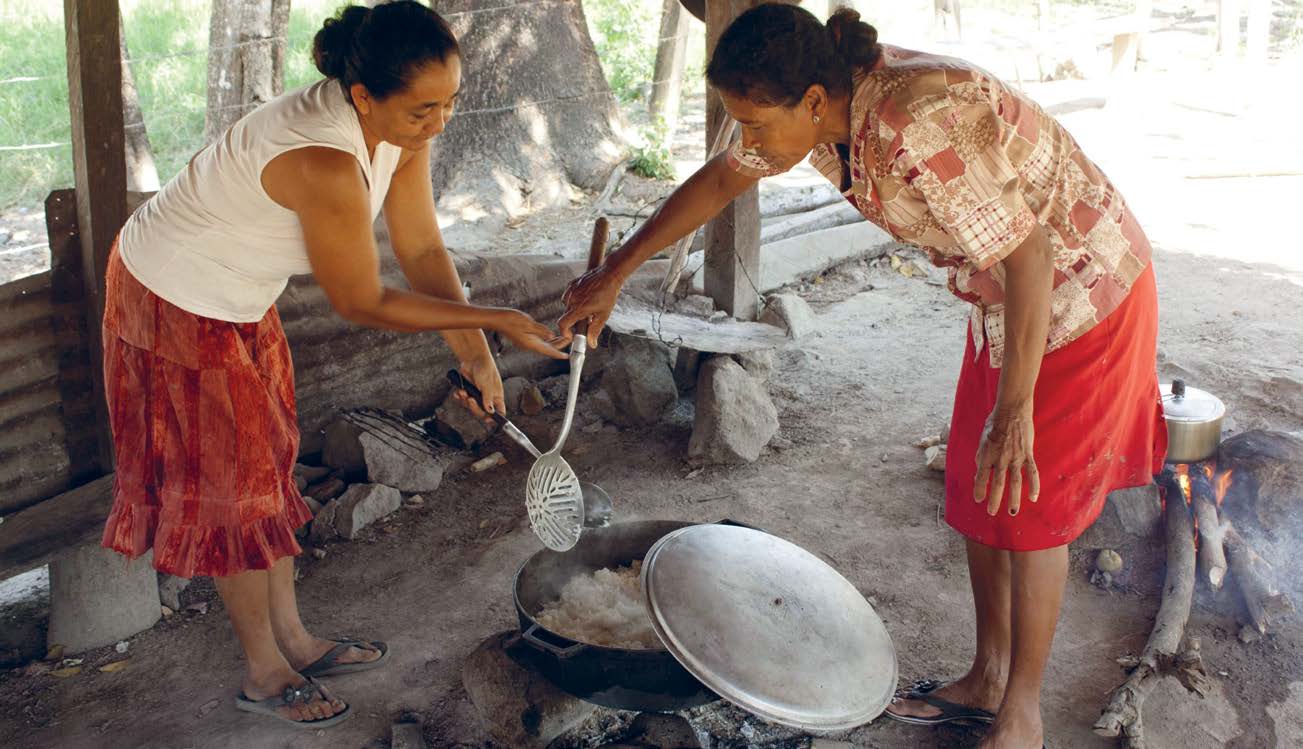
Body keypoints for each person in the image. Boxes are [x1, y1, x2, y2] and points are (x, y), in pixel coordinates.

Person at [557, 5, 1166, 747]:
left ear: (812, 101)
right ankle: (986, 674)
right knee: (980, 493)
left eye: (755, 125)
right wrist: (616, 272)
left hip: (1079, 291)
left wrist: (1015, 413)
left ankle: (1022, 715)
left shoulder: (919, 118)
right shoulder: (817, 114)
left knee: (1026, 503)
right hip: (1005, 295)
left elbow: (1032, 256)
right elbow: (722, 177)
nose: (748, 143)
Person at [100, 1, 564, 728]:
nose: (438, 122)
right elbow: (360, 299)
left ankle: (295, 639)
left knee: (267, 465)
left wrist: (477, 356)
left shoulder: (403, 121)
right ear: (361, 97)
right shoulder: (320, 156)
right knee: (237, 493)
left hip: (240, 296)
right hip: (174, 295)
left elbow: (419, 250)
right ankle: (262, 670)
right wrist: (492, 318)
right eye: (424, 110)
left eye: (450, 103)